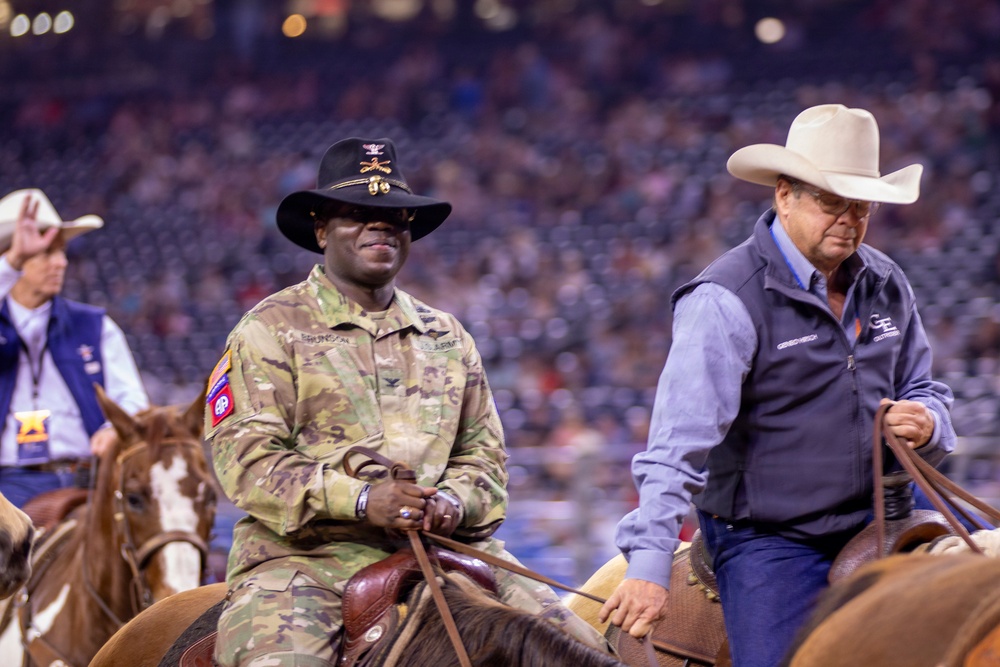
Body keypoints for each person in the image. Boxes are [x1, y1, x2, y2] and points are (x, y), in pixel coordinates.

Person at [205, 137, 609, 665]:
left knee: (587, 652)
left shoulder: (446, 335)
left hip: (451, 554)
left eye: (394, 215)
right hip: (307, 562)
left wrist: (453, 502)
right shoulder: (269, 330)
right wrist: (359, 499)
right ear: (321, 229)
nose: (381, 226)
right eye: (357, 214)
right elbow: (247, 460)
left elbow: (485, 459)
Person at [599, 105, 958, 667]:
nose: (849, 219)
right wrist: (647, 565)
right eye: (831, 201)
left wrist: (929, 420)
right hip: (773, 538)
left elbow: (924, 385)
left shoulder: (886, 281)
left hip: (886, 513)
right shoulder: (725, 299)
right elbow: (676, 447)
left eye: (860, 205)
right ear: (784, 195)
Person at [0, 188, 149, 508]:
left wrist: (114, 429)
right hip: (7, 485)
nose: (61, 263)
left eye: (61, 252)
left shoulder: (94, 325)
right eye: (45, 253)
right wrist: (11, 261)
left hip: (88, 479)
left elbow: (133, 400)